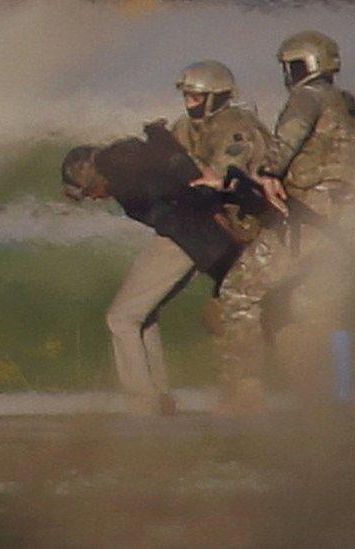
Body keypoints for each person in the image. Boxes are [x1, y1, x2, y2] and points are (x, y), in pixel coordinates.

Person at [62, 120, 280, 416]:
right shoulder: (120, 169)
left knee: (120, 319)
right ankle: (160, 397)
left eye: (87, 192)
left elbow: (163, 159)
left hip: (184, 236)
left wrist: (200, 191)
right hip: (197, 239)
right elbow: (165, 160)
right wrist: (204, 197)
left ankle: (142, 405)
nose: (92, 198)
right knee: (143, 314)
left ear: (88, 174)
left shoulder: (111, 161)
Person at [255, 31, 355, 408]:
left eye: (291, 66)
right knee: (334, 304)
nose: (288, 75)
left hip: (318, 213)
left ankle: (305, 394)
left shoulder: (306, 96)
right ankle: (345, 393)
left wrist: (268, 172)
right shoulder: (343, 102)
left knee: (249, 291)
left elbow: (287, 139)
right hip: (347, 214)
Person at [170, 61, 275, 416]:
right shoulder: (187, 127)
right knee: (224, 312)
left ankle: (247, 395)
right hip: (224, 231)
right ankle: (238, 391)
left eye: (196, 96)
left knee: (237, 307)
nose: (189, 103)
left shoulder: (236, 128)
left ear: (216, 98)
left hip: (255, 229)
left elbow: (222, 172)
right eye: (186, 95)